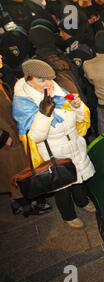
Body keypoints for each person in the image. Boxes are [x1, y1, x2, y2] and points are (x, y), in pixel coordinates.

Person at [12, 59, 96, 229]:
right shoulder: (24, 104)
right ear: (29, 79)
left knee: (78, 178)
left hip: (73, 143)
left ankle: (82, 201)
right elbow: (35, 137)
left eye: (49, 79)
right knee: (62, 187)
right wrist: (44, 114)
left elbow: (80, 119)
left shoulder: (59, 92)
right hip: (54, 151)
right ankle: (68, 215)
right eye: (41, 80)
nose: (48, 83)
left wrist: (77, 106)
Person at [0, 55, 51, 217]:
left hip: (13, 132)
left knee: (20, 169)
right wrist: (2, 137)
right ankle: (26, 204)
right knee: (15, 171)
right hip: (7, 139)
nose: (1, 56)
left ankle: (24, 200)